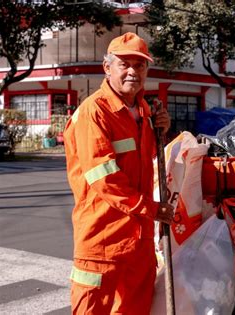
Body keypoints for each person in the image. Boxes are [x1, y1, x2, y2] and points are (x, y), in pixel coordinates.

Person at [64, 32, 174, 314]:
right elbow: (105, 179)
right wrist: (150, 208)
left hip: (138, 244)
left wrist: (160, 130)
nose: (132, 72)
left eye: (139, 66)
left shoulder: (144, 110)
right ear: (107, 68)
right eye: (124, 64)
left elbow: (140, 161)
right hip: (102, 241)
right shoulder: (94, 113)